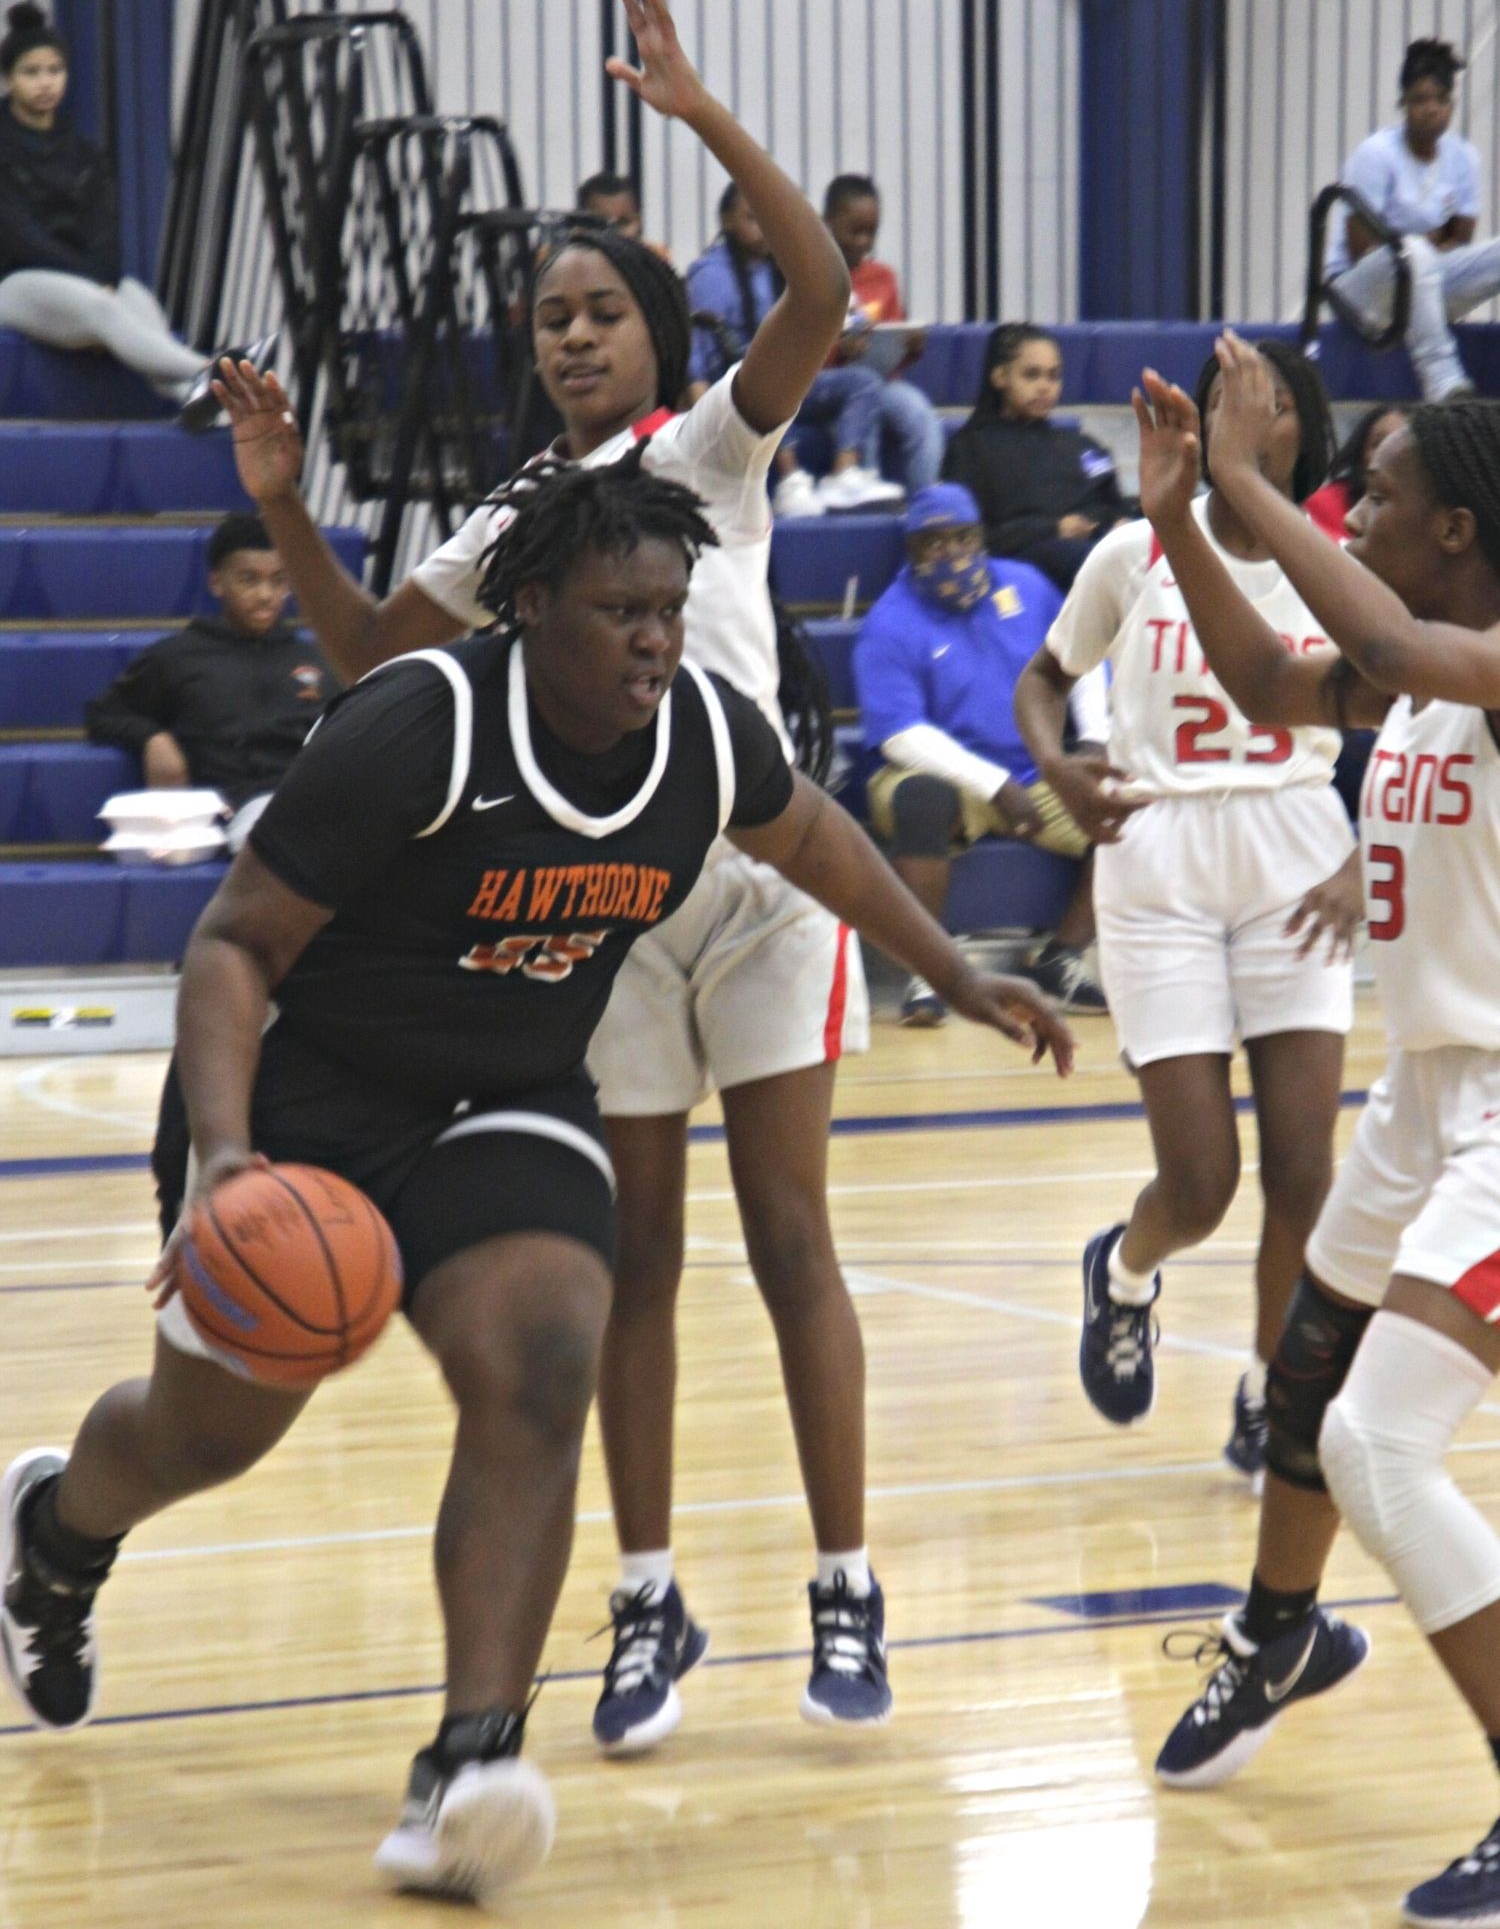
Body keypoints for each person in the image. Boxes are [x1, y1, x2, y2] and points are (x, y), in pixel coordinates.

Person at [0, 458, 1073, 1904]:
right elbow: (234, 946)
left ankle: (471, 1764)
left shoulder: (697, 732)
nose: (653, 639)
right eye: (620, 609)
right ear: (530, 607)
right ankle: (60, 1533)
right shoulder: (420, 725)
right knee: (208, 1437)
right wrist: (227, 1160)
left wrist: (954, 972)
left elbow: (810, 829)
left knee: (548, 1351)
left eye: (670, 610)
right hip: (307, 1103)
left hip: (505, 1102)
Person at [206, 0, 926, 1758]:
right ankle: (648, 1597)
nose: (574, 335)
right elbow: (375, 661)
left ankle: (846, 1581)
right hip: (595, 915)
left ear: (658, 335)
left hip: (753, 883)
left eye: (602, 307)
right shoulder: (519, 519)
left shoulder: (708, 448)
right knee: (634, 1266)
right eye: (551, 320)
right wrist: (287, 498)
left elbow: (825, 287)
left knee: (791, 1240)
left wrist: (691, 113)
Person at [1143, 334, 1500, 1929]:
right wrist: (1176, 524)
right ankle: (1280, 1627)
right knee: (1305, 1371)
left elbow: (1378, 638)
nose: (1351, 511)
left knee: (1374, 1441)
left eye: (1381, 493)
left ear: (1455, 532)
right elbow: (1274, 680)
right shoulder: (1417, 674)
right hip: (1430, 1092)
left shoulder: (1469, 658)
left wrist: (1248, 486)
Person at [1013, 339, 1361, 1484]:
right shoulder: (1133, 548)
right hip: (1157, 851)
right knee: (1204, 1182)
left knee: (1306, 1168)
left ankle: (1272, 1396)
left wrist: (1367, 856)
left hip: (1297, 851)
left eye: (1246, 403)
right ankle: (1123, 1269)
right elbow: (1045, 678)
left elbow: (1413, 702)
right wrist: (1055, 761)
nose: (1223, 419)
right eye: (1213, 401)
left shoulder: (1336, 558)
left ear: (1292, 428)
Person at [854, 480, 1108, 1024]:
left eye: (963, 538)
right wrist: (997, 787)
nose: (953, 554)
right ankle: (930, 974)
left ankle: (1062, 959)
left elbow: (1081, 656)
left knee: (1120, 804)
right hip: (936, 773)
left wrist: (1092, 742)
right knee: (921, 798)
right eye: (935, 543)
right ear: (911, 552)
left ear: (982, 538)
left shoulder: (1028, 586)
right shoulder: (889, 623)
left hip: (1033, 767)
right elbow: (902, 736)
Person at [0, 2, 269, 421]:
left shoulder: (83, 151)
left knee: (138, 300)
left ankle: (192, 398)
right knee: (105, 308)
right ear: (8, 80)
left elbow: (105, 230)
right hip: (15, 283)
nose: (45, 83)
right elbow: (18, 235)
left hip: (86, 283)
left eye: (54, 70)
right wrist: (92, 287)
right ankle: (211, 369)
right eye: (31, 72)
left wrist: (103, 279)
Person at [83, 513, 332, 846]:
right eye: (249, 579)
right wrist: (153, 738)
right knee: (282, 841)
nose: (265, 595)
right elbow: (102, 715)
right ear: (217, 583)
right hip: (243, 809)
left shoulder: (314, 658)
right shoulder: (177, 657)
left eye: (278, 581)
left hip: (317, 802)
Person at [685, 181, 904, 515]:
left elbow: (836, 316)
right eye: (751, 218)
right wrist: (700, 419)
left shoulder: (786, 264)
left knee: (862, 383)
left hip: (789, 380)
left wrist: (851, 334)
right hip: (733, 388)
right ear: (728, 220)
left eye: (769, 218)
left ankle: (844, 474)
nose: (764, 228)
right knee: (765, 374)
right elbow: (697, 355)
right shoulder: (709, 275)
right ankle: (791, 481)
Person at [1326, 38, 1500, 403]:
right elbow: (1361, 249)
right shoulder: (1377, 154)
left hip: (1425, 282)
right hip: (1361, 291)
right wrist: (1422, 244)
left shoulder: (1464, 158)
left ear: (1451, 105)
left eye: (1440, 100)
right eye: (1420, 99)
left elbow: (1460, 239)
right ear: (1403, 103)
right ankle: (1445, 383)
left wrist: (1423, 249)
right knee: (1412, 250)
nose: (1430, 110)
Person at [942, 322, 1133, 590]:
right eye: (1031, 375)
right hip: (1022, 567)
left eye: (1053, 376)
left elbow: (1115, 505)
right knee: (1098, 562)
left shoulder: (1082, 445)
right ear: (999, 377)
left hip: (1097, 551)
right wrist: (1053, 528)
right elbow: (968, 537)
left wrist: (1120, 524)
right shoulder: (970, 448)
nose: (1045, 386)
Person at [821, 173, 943, 493]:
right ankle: (866, 492)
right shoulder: (812, 276)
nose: (863, 241)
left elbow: (891, 337)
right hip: (836, 389)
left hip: (883, 380)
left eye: (871, 232)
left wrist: (911, 346)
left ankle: (925, 501)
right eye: (855, 231)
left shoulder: (883, 277)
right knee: (865, 415)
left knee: (920, 415)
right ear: (828, 222)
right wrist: (841, 350)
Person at [1305, 402, 1411, 540]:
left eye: (1401, 446)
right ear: (1361, 453)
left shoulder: (1431, 512)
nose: (1387, 454)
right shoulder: (1326, 503)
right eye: (1377, 443)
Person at [574, 171, 670, 263]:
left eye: (623, 223)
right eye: (601, 223)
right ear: (581, 226)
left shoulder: (655, 259)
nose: (614, 232)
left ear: (639, 221)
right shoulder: (568, 263)